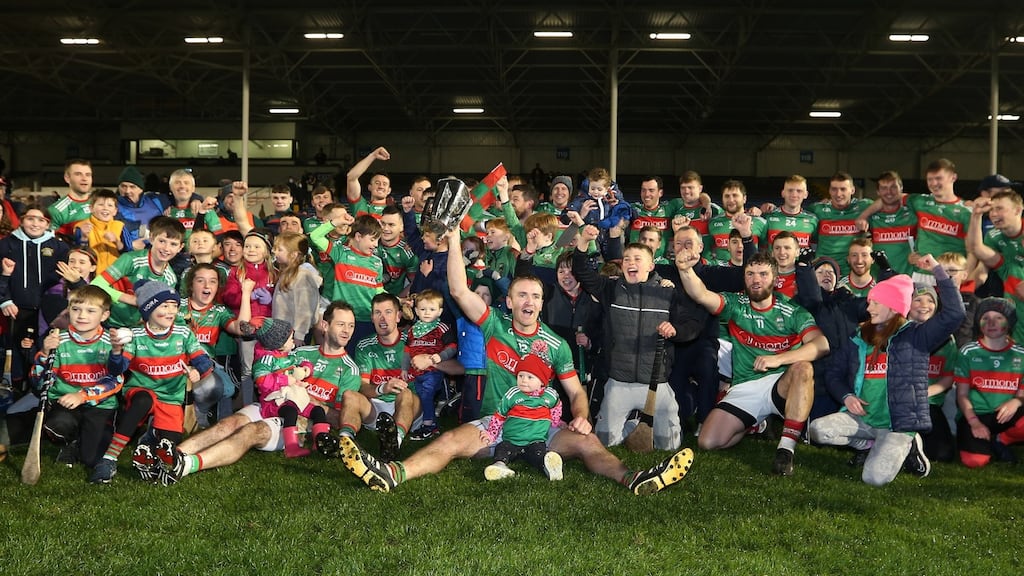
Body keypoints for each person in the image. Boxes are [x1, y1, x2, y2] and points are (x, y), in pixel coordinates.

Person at [336, 229, 695, 495]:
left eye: (535, 296)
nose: (529, 301)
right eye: (521, 295)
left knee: (588, 443)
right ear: (509, 302)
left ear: (541, 303)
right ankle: (392, 473)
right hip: (496, 426)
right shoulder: (494, 324)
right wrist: (456, 237)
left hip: (542, 428)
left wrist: (581, 415)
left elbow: (575, 392)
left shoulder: (555, 344)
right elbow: (459, 290)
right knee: (449, 442)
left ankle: (633, 478)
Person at [158, 301, 362, 485]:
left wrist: (307, 398)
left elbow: (338, 418)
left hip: (298, 418)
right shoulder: (300, 352)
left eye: (351, 326)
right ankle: (170, 455)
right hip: (271, 401)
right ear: (325, 325)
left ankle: (187, 465)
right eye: (341, 324)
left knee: (250, 432)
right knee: (229, 423)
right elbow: (269, 358)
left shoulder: (349, 369)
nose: (347, 331)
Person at [808, 259, 964, 486]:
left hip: (897, 425)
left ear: (893, 306)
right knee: (817, 430)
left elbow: (955, 314)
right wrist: (846, 396)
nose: (868, 308)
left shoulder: (917, 335)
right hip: (863, 419)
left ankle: (909, 444)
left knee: (873, 479)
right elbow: (834, 373)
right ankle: (868, 445)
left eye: (875, 303)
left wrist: (936, 270)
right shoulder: (859, 336)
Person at [675, 249, 829, 475]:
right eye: (750, 274)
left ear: (775, 279)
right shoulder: (736, 304)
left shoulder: (792, 310)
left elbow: (822, 345)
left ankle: (785, 449)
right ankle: (753, 423)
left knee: (804, 368)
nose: (756, 280)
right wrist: (685, 270)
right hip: (746, 386)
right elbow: (701, 295)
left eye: (763, 274)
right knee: (708, 442)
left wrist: (778, 359)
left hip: (781, 384)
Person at [572, 224, 705, 450]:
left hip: (656, 384)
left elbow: (693, 324)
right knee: (606, 442)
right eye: (626, 259)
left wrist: (675, 330)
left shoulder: (668, 292)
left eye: (637, 259)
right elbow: (582, 272)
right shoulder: (610, 289)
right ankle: (634, 425)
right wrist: (583, 242)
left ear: (651, 265)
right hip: (618, 383)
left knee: (669, 446)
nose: (630, 263)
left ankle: (648, 423)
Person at [90, 280, 214, 484]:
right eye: (164, 306)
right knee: (143, 400)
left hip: (171, 397)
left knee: (169, 445)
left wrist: (197, 371)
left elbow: (203, 361)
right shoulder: (136, 336)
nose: (171, 311)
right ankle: (108, 459)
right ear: (149, 309)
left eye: (174, 306)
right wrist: (116, 352)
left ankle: (148, 442)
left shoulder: (183, 333)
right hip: (141, 391)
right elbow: (117, 370)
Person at [31, 286, 128, 474]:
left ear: (104, 315)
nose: (82, 316)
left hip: (100, 405)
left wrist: (82, 395)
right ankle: (70, 441)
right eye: (76, 309)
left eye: (91, 311)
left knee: (91, 459)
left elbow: (115, 381)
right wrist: (44, 354)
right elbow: (39, 384)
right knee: (58, 425)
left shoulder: (112, 342)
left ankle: (87, 439)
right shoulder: (57, 340)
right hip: (65, 402)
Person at [0, 204, 71, 394]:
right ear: (22, 220)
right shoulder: (6, 244)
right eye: (30, 219)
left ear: (47, 224)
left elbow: (66, 278)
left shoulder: (59, 247)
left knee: (41, 348)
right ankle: (16, 389)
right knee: (17, 352)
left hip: (46, 312)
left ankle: (40, 389)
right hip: (15, 308)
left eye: (41, 220)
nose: (35, 224)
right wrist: (5, 300)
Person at [347, 293, 423, 461]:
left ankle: (394, 442)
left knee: (405, 393)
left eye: (388, 312)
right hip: (376, 407)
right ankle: (346, 442)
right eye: (377, 313)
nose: (382, 318)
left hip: (408, 408)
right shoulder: (364, 345)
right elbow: (362, 386)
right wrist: (383, 388)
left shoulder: (413, 343)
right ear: (372, 318)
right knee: (350, 395)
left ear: (398, 316)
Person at [177, 263, 252, 428]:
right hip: (176, 362)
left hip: (204, 364)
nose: (207, 286)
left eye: (212, 281)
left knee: (225, 389)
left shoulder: (219, 311)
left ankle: (213, 420)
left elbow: (241, 329)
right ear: (191, 285)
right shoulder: (176, 306)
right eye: (200, 281)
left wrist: (246, 293)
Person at [954, 297, 1024, 468]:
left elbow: (1022, 395)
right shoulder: (968, 352)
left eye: (999, 317)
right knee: (975, 461)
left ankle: (1002, 439)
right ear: (979, 323)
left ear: (1009, 322)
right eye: (985, 318)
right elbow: (961, 395)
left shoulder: (1020, 354)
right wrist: (974, 422)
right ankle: (987, 441)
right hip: (975, 415)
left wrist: (1016, 401)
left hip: (1006, 415)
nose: (991, 323)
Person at [246, 316, 330, 458]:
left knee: (318, 410)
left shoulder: (288, 356)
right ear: (279, 344)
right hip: (274, 402)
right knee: (290, 412)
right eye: (291, 338)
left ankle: (321, 441)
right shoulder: (266, 360)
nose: (293, 341)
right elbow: (261, 381)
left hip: (294, 397)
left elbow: (303, 362)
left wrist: (306, 369)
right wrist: (285, 380)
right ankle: (291, 447)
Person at [480, 354, 564, 481]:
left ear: (542, 381)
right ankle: (500, 466)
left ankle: (549, 468)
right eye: (520, 376)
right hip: (512, 440)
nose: (524, 380)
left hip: (535, 441)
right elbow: (499, 415)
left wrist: (555, 422)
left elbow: (557, 407)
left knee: (539, 455)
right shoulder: (513, 394)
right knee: (501, 449)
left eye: (530, 377)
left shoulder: (550, 395)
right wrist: (491, 434)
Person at [91, 215, 184, 328]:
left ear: (180, 248)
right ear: (151, 238)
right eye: (162, 241)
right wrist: (132, 300)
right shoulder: (131, 259)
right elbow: (96, 284)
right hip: (105, 323)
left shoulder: (170, 279)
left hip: (136, 329)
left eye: (173, 244)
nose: (166, 248)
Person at [404, 289, 456, 441]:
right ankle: (431, 421)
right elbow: (407, 351)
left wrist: (440, 357)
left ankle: (429, 425)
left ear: (439, 311)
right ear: (416, 311)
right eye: (423, 309)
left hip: (433, 371)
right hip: (416, 373)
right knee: (421, 397)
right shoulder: (413, 330)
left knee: (427, 394)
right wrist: (404, 368)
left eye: (432, 309)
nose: (427, 313)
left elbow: (453, 346)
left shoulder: (441, 328)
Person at [809, 172, 873, 277]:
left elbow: (886, 202)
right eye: (834, 189)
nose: (838, 194)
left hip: (853, 273)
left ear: (852, 190)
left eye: (843, 189)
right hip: (824, 272)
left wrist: (865, 215)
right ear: (829, 191)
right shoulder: (817, 209)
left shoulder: (864, 206)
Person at [271, 232, 321, 345]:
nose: (275, 252)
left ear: (293, 254)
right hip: (283, 331)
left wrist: (299, 335)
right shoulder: (286, 274)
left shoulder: (302, 276)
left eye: (279, 250)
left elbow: (305, 308)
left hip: (295, 334)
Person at [705, 180, 766, 262]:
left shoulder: (760, 222)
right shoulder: (712, 223)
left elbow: (766, 250)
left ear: (744, 199)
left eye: (735, 195)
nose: (731, 200)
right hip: (721, 269)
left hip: (749, 268)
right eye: (727, 196)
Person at [73, 189, 124, 275]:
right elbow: (77, 253)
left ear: (115, 211)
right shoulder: (81, 226)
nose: (105, 208)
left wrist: (117, 241)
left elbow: (127, 252)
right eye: (101, 204)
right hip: (93, 275)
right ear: (91, 208)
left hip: (116, 274)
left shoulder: (120, 226)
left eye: (110, 205)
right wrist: (84, 238)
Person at [115, 166, 166, 251]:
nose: (127, 191)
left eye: (132, 187)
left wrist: (194, 198)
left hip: (156, 253)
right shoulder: (112, 206)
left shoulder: (156, 201)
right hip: (127, 255)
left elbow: (179, 199)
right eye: (123, 186)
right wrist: (129, 246)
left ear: (141, 189)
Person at [763, 175, 817, 249]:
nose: (794, 195)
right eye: (790, 190)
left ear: (805, 195)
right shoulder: (768, 217)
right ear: (783, 193)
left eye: (799, 191)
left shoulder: (813, 220)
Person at [48, 159, 93, 239]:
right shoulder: (56, 210)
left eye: (88, 175)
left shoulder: (105, 204)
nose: (84, 178)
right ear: (67, 178)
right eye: (78, 174)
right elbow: (53, 242)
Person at [346, 146, 391, 219]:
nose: (381, 186)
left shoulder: (392, 210)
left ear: (389, 190)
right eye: (377, 183)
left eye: (384, 184)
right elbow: (351, 177)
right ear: (369, 187)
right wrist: (373, 155)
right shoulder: (360, 205)